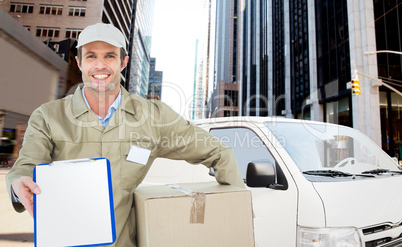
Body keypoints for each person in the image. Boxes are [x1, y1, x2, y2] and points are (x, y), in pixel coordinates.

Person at [6, 23, 245, 246]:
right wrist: (18, 182)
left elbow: (219, 151)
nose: (100, 65)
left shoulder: (154, 117)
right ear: (79, 63)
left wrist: (237, 216)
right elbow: (26, 165)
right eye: (91, 56)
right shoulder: (48, 116)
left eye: (109, 55)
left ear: (123, 62)